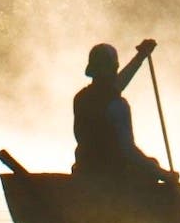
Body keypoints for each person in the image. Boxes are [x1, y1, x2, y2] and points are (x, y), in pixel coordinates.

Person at [73, 38, 174, 189]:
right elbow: (128, 151)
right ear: (113, 70)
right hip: (112, 175)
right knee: (151, 166)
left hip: (85, 168)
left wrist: (140, 57)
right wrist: (162, 174)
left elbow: (113, 87)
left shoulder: (81, 98)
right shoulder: (117, 106)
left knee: (151, 165)